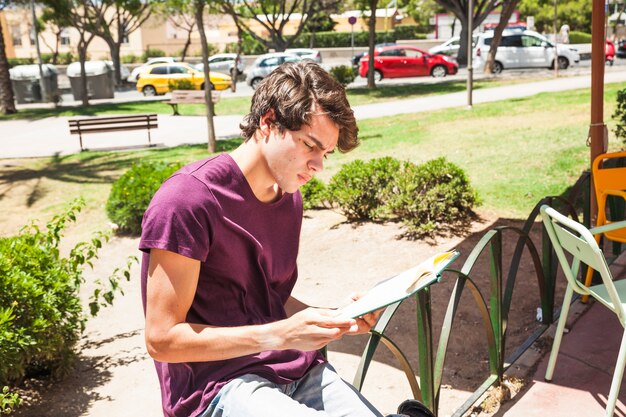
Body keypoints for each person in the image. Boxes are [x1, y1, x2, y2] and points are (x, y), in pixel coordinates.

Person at [139, 61, 432, 417]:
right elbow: (162, 340)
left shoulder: (288, 195)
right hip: (218, 387)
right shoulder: (187, 201)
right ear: (268, 121)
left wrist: (338, 317)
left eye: (325, 153)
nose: (318, 166)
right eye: (310, 145)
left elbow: (267, 298)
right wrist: (278, 335)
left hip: (295, 368)